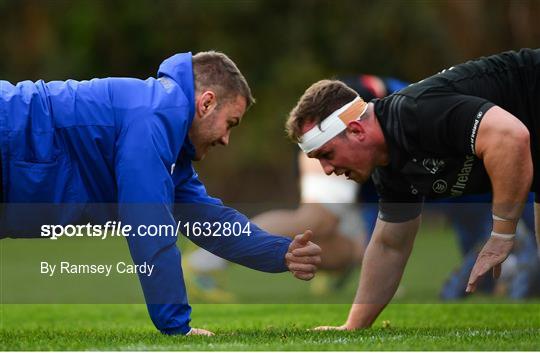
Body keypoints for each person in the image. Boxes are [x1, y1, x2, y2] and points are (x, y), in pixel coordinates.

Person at [0, 51, 321, 336]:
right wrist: (175, 324)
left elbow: (208, 221)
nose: (226, 140)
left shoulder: (168, 141)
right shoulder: (153, 116)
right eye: (230, 124)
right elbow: (148, 224)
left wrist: (280, 253)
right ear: (206, 102)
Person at [285, 48, 540, 330]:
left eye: (327, 155)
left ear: (357, 131)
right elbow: (390, 246)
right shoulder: (391, 169)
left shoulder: (414, 113)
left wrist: (502, 235)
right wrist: (353, 326)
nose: (327, 170)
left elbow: (510, 138)